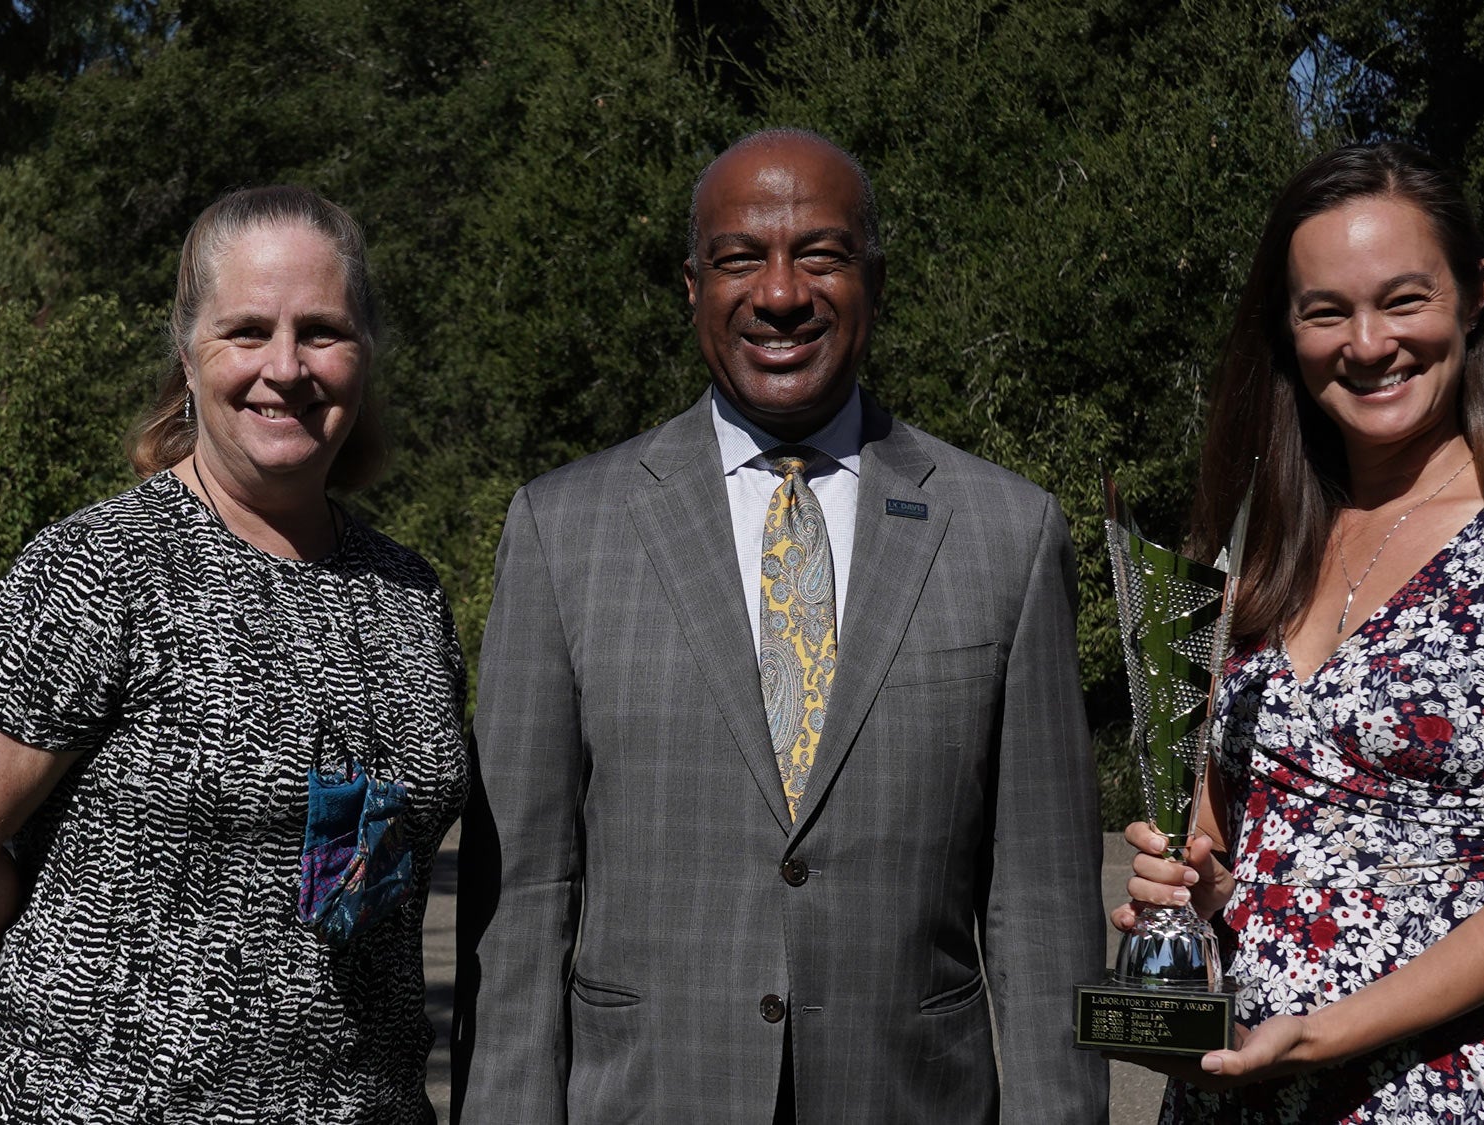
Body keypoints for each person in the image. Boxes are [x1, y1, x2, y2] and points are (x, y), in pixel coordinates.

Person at [452, 127, 1108, 1123]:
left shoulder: (1005, 535)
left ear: (874, 281)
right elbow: (525, 899)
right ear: (690, 286)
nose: (779, 292)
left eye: (820, 254)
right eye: (738, 259)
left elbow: (1043, 908)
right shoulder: (562, 529)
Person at [0, 185, 469, 1124]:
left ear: (365, 355)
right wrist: (77, 996)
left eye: (322, 331)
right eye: (246, 331)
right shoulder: (102, 569)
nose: (286, 366)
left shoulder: (408, 596)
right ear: (188, 356)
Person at [1111, 142, 1484, 1123]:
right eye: (1326, 311)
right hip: (1236, 1089)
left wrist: (1320, 1032)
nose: (1365, 343)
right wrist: (1194, 894)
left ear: (1472, 295)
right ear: (1287, 327)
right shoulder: (1257, 556)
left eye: (1400, 299)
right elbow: (1247, 851)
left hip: (1439, 1093)